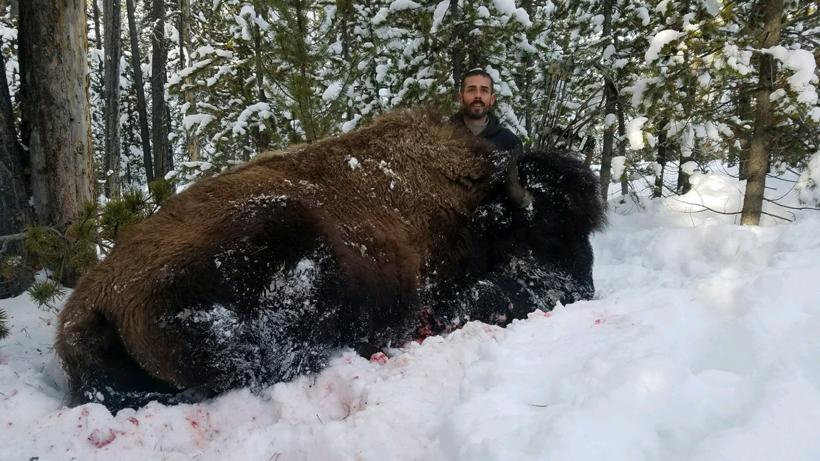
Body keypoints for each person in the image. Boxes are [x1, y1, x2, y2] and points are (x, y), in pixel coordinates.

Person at [453, 68, 522, 154]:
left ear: (492, 99)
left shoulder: (509, 142)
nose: (478, 96)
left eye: (484, 90)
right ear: (460, 98)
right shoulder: (443, 136)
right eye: (471, 90)